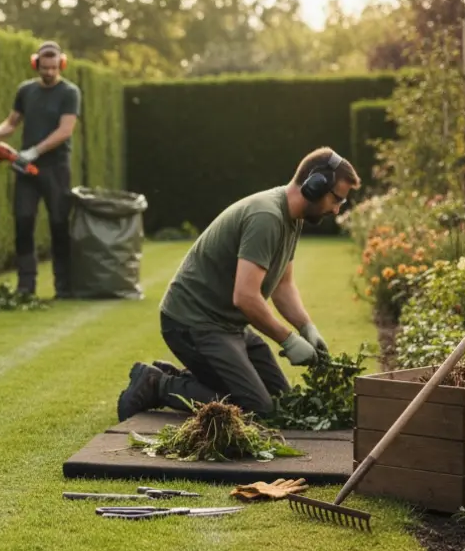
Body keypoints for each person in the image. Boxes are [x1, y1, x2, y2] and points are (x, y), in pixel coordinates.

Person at [116, 147, 361, 421]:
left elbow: (283, 285)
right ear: (315, 185)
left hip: (230, 326)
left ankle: (186, 379)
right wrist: (288, 340)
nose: (338, 209)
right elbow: (245, 297)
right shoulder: (267, 217)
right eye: (336, 198)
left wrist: (306, 328)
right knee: (256, 409)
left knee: (283, 403)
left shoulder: (292, 220)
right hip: (193, 322)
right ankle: (157, 384)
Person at [0, 41, 82, 298]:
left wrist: (35, 151)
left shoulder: (69, 92)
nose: (49, 72)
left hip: (55, 168)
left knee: (58, 225)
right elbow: (11, 123)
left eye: (54, 68)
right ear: (36, 64)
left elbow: (65, 131)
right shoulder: (26, 90)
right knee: (23, 222)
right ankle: (25, 286)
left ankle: (63, 286)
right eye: (45, 67)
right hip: (25, 169)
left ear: (61, 65)